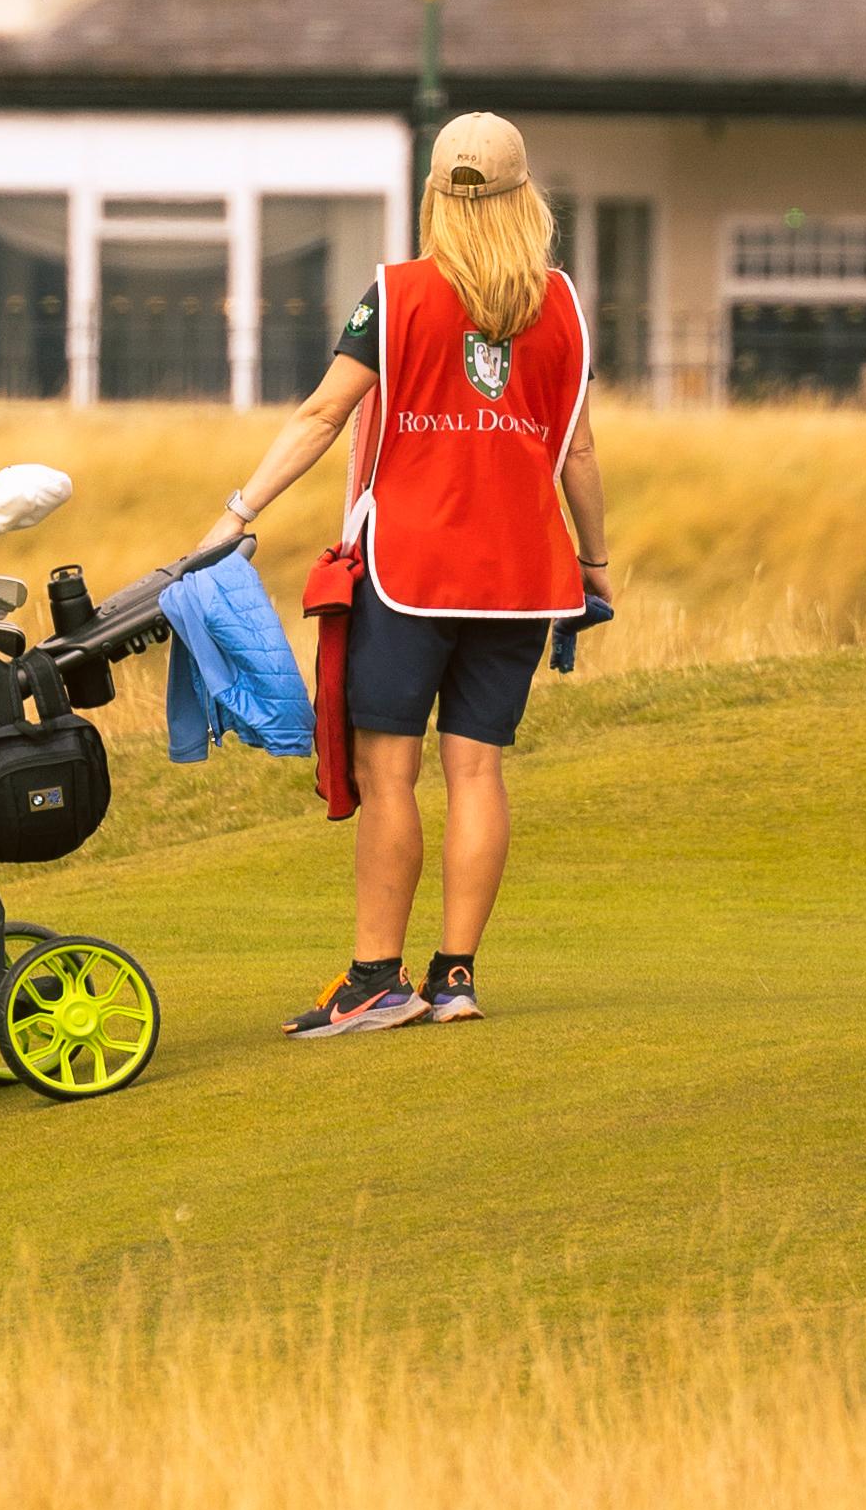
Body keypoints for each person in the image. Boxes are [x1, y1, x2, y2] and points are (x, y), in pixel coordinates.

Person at [211, 112, 613, 1041]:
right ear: (526, 199)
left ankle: (375, 980)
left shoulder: (396, 293)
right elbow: (578, 452)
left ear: (437, 194)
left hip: (410, 569)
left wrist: (238, 513)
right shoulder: (562, 303)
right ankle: (455, 975)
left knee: (388, 775)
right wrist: (593, 564)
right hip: (523, 575)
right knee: (477, 769)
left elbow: (321, 417)